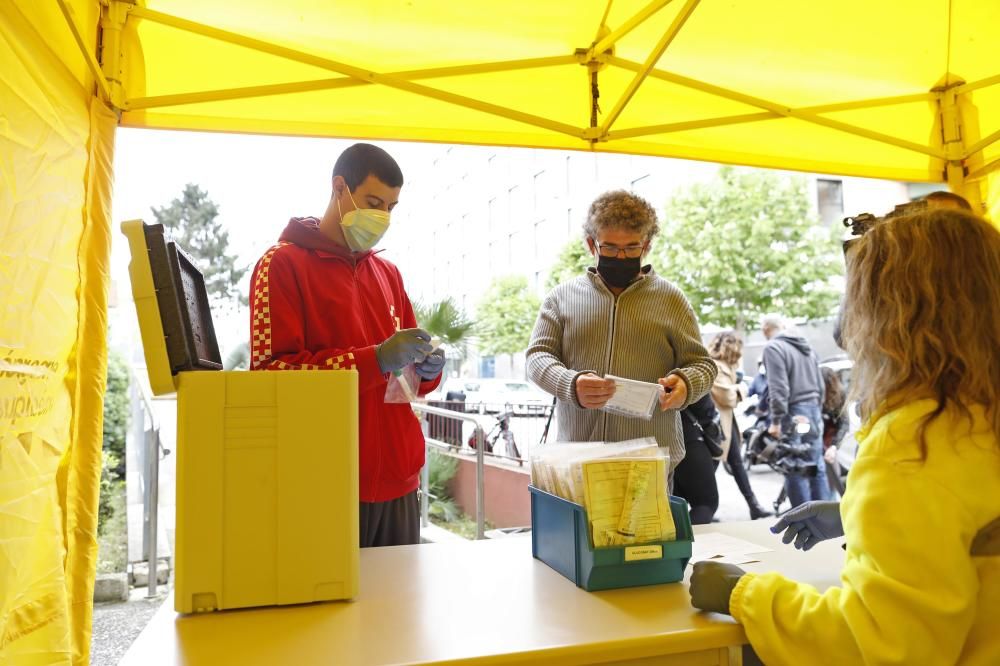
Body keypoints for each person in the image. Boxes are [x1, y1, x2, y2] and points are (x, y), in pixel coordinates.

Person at [689, 207, 1000, 664]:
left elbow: (879, 644)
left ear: (890, 314)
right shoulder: (978, 418)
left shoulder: (913, 445)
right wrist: (853, 512)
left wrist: (743, 593)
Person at [248, 143, 445, 547]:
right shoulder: (282, 264)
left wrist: (425, 370)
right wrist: (375, 360)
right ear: (340, 188)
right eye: (374, 202)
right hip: (326, 483)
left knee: (398, 609)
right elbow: (270, 375)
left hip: (399, 479)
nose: (383, 217)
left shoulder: (387, 273)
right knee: (333, 609)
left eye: (391, 206)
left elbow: (404, 383)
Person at [526, 190, 717, 477]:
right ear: (592, 245)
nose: (621, 256)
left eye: (631, 248)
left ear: (647, 245)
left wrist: (685, 385)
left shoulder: (671, 299)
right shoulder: (561, 297)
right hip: (578, 459)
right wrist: (570, 383)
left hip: (648, 462)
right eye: (611, 248)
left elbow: (703, 364)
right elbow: (537, 357)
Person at [760, 314, 828, 507]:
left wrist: (776, 421)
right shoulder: (807, 348)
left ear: (765, 329)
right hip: (813, 411)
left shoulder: (774, 348)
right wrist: (817, 408)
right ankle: (823, 515)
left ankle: (804, 518)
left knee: (793, 464)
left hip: (795, 414)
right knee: (815, 463)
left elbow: (779, 389)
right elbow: (820, 384)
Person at [707, 332, 772, 519]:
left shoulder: (727, 366)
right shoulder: (716, 367)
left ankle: (754, 506)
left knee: (736, 464)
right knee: (710, 469)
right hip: (716, 427)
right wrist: (741, 388)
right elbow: (727, 397)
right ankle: (702, 508)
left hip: (726, 425)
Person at [674, 393, 722, 524]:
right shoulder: (672, 372)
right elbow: (700, 399)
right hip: (686, 436)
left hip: (645, 441)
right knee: (705, 503)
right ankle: (684, 543)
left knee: (671, 506)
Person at [820, 366, 849, 497]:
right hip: (816, 439)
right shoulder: (813, 395)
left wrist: (833, 446)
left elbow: (844, 422)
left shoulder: (839, 394)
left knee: (831, 477)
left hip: (829, 440)